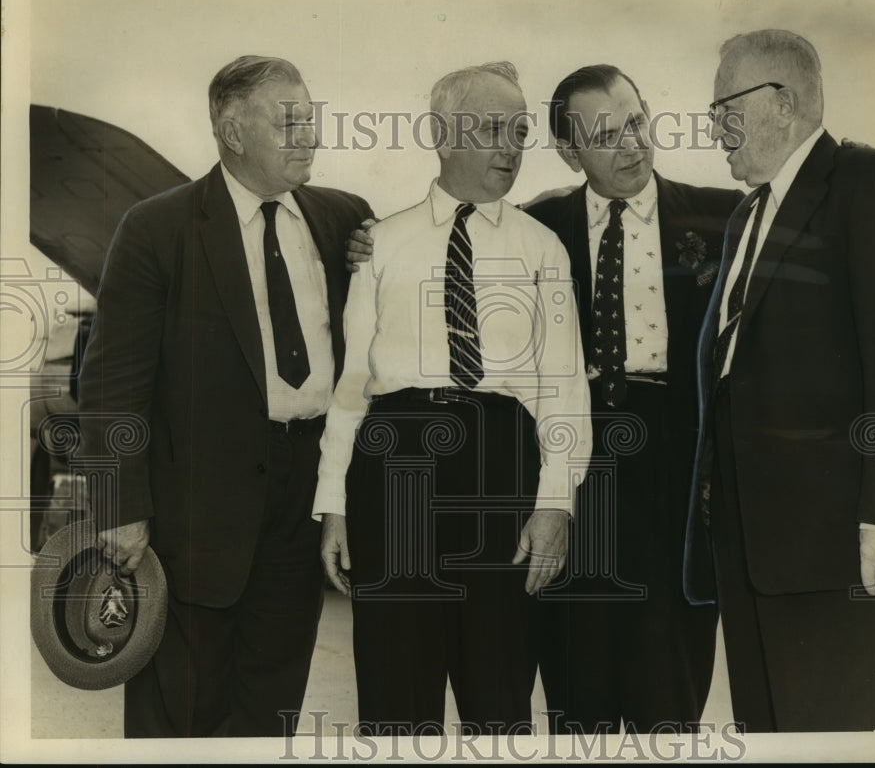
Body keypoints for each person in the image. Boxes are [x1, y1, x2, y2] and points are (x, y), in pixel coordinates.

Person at [77, 55, 373, 737]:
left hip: (305, 494)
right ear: (233, 132)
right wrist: (120, 506)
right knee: (179, 708)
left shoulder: (344, 219)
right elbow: (112, 380)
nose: (310, 136)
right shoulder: (158, 229)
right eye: (289, 122)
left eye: (312, 118)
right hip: (193, 509)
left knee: (272, 701)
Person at [312, 61, 591, 736]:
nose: (511, 146)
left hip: (502, 468)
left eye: (520, 131)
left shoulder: (543, 248)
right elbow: (352, 381)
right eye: (494, 127)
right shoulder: (379, 243)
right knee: (394, 701)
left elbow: (563, 384)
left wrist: (556, 501)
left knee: (499, 702)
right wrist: (334, 503)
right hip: (393, 466)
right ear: (442, 132)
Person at [683, 29, 875, 731]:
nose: (713, 129)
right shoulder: (747, 216)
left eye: (723, 110)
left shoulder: (869, 181)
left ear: (783, 102)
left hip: (842, 549)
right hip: (752, 552)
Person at [524, 65, 743, 734]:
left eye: (637, 122)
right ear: (569, 151)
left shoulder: (722, 216)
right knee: (577, 687)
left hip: (676, 470)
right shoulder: (538, 228)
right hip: (573, 464)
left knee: (666, 690)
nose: (631, 146)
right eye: (605, 134)